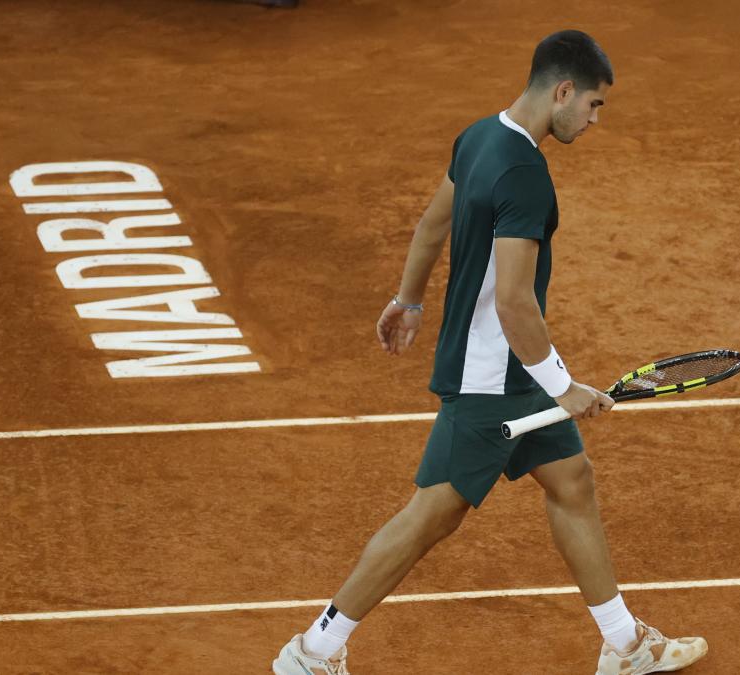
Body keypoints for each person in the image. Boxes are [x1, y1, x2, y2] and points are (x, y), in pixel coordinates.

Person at [273, 29, 708, 675]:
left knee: (572, 481)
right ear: (563, 91)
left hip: (507, 367)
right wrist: (563, 385)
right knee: (431, 516)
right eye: (591, 105)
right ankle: (314, 650)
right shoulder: (526, 174)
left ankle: (624, 645)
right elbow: (513, 301)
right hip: (495, 377)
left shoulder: (480, 136)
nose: (592, 121)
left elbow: (431, 224)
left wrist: (410, 299)